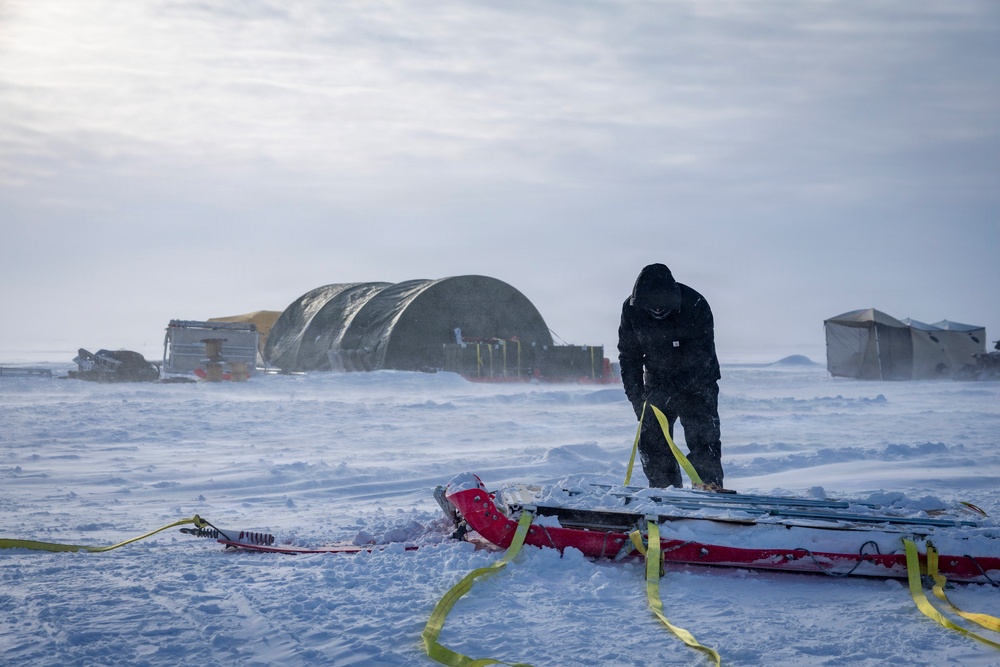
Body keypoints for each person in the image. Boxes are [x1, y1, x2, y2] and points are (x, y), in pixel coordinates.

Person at [617, 263, 725, 490]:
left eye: (661, 306)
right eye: (651, 307)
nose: (657, 311)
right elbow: (629, 358)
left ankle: (709, 492)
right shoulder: (631, 309)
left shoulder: (695, 304)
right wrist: (638, 402)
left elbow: (700, 357)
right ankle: (665, 492)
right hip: (656, 382)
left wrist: (669, 391)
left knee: (703, 442)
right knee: (653, 443)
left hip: (698, 381)